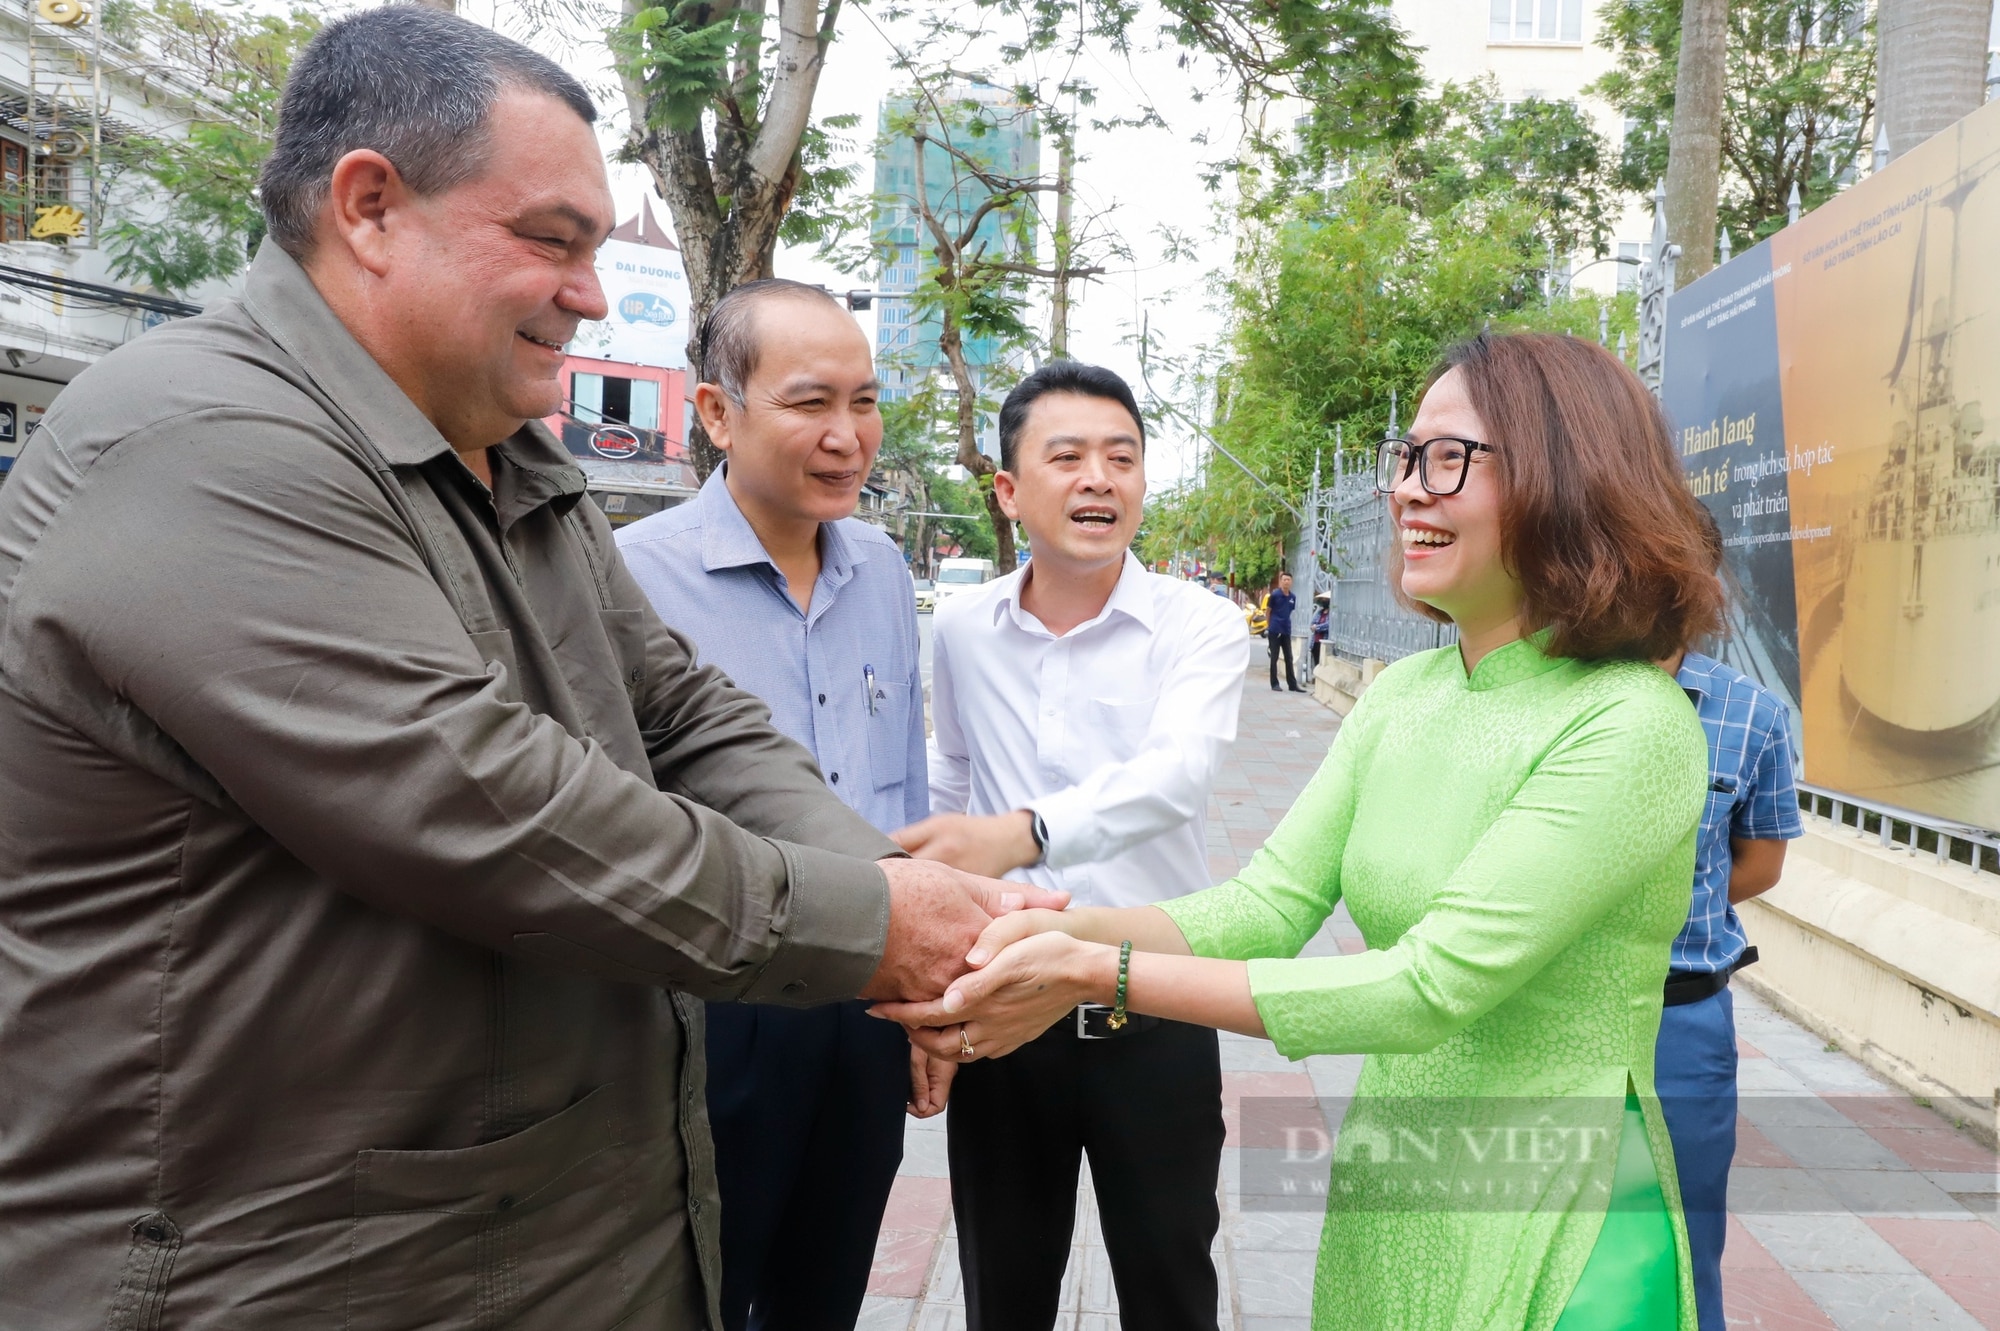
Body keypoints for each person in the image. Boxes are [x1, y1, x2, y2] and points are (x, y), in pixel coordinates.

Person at [0, 13, 1055, 1328]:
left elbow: (679, 713)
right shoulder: (201, 442)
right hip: (290, 1261)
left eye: (596, 250)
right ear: (371, 207)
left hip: (533, 1229)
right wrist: (885, 926)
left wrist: (889, 900)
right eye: (551, 240)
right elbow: (495, 810)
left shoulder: (509, 453)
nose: (594, 295)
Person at [882, 332, 1726, 1331]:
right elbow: (1268, 902)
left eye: (1448, 457)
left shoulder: (1627, 722)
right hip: (1400, 1174)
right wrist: (1034, 927)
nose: (1408, 489)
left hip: (1553, 1196)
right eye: (1404, 458)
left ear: (1567, 471)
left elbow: (1428, 985)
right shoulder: (1405, 692)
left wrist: (1084, 968)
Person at [891, 361, 1247, 1331]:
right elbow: (953, 782)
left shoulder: (1200, 624)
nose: (1099, 478)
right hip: (1007, 1016)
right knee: (1002, 1290)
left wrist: (1025, 833)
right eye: (1068, 456)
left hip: (1154, 1008)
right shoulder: (963, 629)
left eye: (1121, 457)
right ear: (1008, 489)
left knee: (1171, 1287)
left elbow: (1175, 774)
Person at [614, 278, 939, 1331]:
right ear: (716, 412)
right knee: (700, 1283)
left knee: (827, 1284)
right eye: (809, 403)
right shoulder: (632, 578)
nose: (847, 436)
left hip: (866, 987)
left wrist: (930, 996)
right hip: (714, 1005)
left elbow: (900, 790)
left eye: (865, 400)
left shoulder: (883, 570)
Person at [1656, 547, 1803, 1331]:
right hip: (1549, 1005)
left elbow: (1759, 862)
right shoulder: (1554, 692)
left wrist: (1661, 906)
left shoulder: (1752, 713)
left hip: (1681, 1019)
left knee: (1685, 1244)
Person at [1267, 571, 1303, 691]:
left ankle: (1292, 684)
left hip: (1286, 629)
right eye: (1284, 580)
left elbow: (1289, 611)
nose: (1286, 582)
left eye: (1288, 580)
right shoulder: (1275, 595)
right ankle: (1274, 683)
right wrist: (1269, 626)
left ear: (1291, 582)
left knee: (1289, 657)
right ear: (1281, 581)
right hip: (1275, 629)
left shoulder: (1293, 597)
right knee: (1274, 657)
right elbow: (1268, 611)